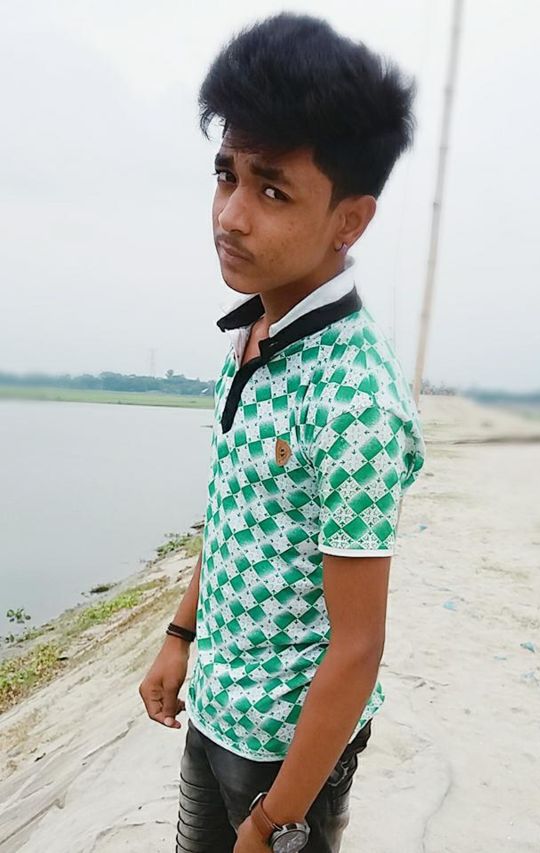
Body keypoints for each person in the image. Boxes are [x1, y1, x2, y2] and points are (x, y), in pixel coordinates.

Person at [138, 11, 426, 852]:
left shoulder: (354, 394)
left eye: (272, 190)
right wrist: (179, 635)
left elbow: (359, 645)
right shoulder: (252, 335)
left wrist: (276, 818)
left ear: (350, 219)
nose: (230, 215)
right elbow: (236, 513)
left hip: (287, 755)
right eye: (225, 175)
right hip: (214, 707)